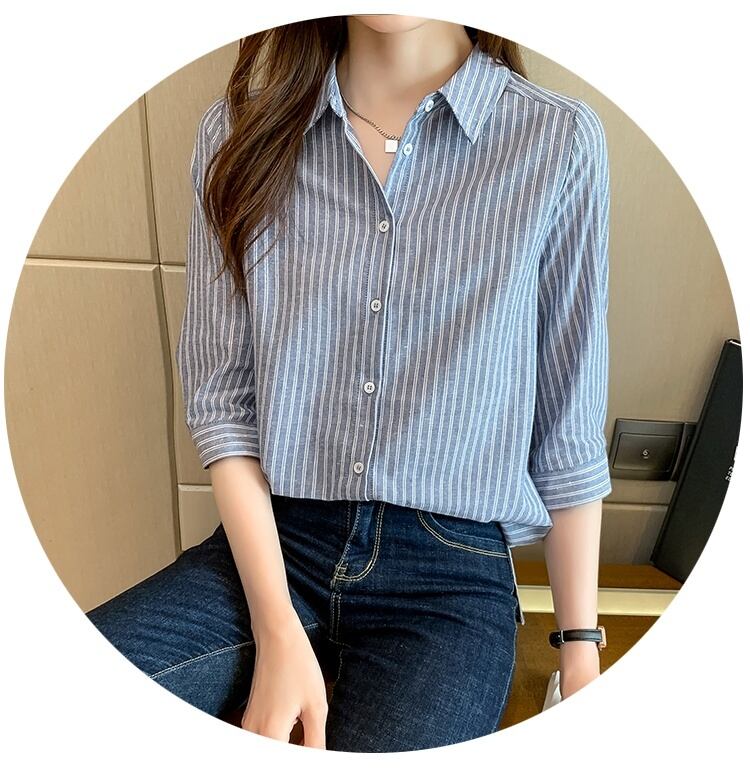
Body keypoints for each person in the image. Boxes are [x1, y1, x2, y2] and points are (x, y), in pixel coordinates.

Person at [86, 14, 612, 753]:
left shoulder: (557, 142)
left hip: (449, 579)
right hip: (274, 543)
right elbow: (224, 403)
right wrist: (276, 627)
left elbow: (567, 429)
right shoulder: (238, 133)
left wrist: (580, 653)